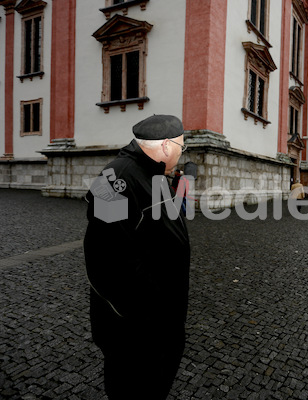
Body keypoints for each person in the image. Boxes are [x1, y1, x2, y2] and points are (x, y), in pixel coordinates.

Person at [84, 115, 190, 400]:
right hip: (136, 328)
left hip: (157, 322)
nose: (182, 152)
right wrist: (153, 310)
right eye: (182, 146)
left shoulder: (154, 174)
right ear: (167, 146)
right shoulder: (114, 179)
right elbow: (106, 261)